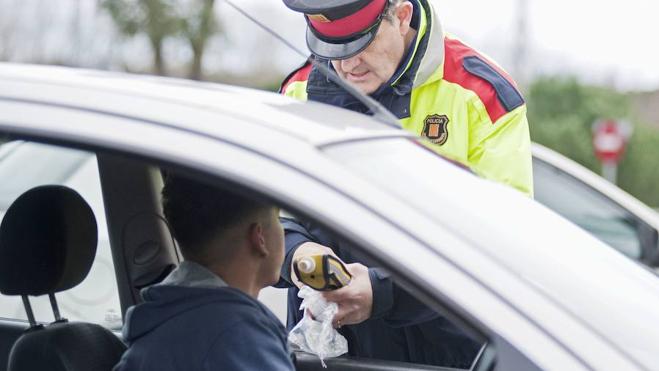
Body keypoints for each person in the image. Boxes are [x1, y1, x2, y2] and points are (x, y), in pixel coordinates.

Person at [276, 0, 533, 368]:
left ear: (401, 16)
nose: (347, 65)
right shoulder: (298, 93)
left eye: (359, 45)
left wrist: (384, 292)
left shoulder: (482, 95)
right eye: (332, 50)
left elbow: (503, 247)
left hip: (443, 358)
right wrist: (298, 257)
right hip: (326, 358)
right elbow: (268, 219)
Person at [114, 175, 294, 371]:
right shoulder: (236, 335)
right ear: (259, 238)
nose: (283, 231)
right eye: (277, 220)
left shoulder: (165, 321)